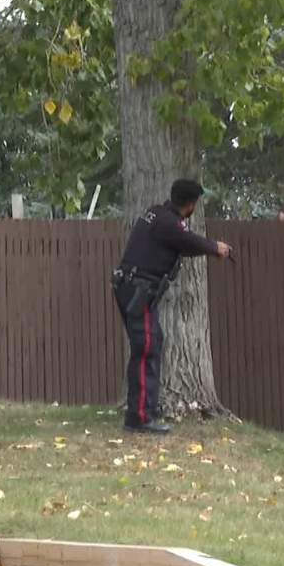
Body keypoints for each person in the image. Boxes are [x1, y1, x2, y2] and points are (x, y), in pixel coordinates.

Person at [111, 179, 232, 434]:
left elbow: (180, 242)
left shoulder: (157, 213)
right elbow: (188, 241)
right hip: (139, 291)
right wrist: (215, 248)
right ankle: (140, 419)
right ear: (191, 204)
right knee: (146, 349)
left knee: (150, 344)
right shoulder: (168, 223)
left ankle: (143, 410)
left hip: (131, 287)